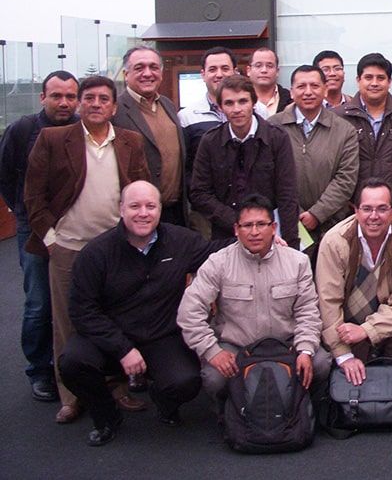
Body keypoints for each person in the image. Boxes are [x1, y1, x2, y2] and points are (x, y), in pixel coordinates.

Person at [59, 181, 229, 445]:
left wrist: (258, 238)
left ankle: (164, 401)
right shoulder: (96, 253)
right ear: (121, 209)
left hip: (162, 336)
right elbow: (82, 311)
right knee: (72, 363)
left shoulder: (180, 240)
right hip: (111, 339)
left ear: (160, 210)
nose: (143, 213)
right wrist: (122, 348)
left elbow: (218, 251)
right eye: (135, 206)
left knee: (186, 382)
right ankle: (106, 416)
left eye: (150, 206)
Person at [24, 75, 150, 423]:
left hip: (115, 249)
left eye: (103, 99)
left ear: (114, 106)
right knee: (65, 322)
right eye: (89, 98)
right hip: (67, 247)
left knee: (114, 319)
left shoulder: (130, 141)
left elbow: (139, 189)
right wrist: (51, 239)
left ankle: (116, 387)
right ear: (80, 103)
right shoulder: (53, 139)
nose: (96, 104)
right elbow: (33, 196)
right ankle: (71, 396)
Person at [177, 194, 330, 410]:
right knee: (214, 378)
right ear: (236, 230)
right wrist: (212, 351)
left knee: (320, 363)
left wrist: (305, 349)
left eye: (261, 224)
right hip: (236, 346)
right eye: (247, 225)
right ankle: (231, 414)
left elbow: (308, 313)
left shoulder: (298, 262)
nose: (255, 232)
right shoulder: (218, 263)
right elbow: (188, 313)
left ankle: (299, 411)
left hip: (285, 344)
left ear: (274, 227)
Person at [0, 70, 79, 402]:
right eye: (56, 95)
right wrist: (21, 212)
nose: (64, 102)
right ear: (42, 97)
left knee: (74, 299)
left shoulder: (81, 127)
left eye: (70, 96)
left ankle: (74, 368)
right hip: (32, 227)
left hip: (75, 225)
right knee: (39, 302)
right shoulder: (23, 130)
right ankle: (40, 370)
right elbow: (5, 174)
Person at [315, 179, 392, 386]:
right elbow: (327, 302)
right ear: (355, 210)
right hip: (345, 328)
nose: (373, 216)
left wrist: (367, 330)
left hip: (385, 327)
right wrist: (343, 355)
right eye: (367, 209)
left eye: (382, 209)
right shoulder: (334, 241)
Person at [189, 75, 299, 245]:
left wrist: (290, 242)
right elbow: (199, 193)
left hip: (270, 234)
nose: (237, 109)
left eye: (243, 101)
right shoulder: (210, 141)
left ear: (254, 102)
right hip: (225, 234)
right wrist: (238, 222)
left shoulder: (277, 138)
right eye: (229, 103)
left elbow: (287, 194)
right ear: (220, 107)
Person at [270, 64, 359, 252]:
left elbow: (346, 178)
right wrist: (296, 213)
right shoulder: (273, 127)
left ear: (325, 89)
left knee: (331, 279)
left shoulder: (344, 130)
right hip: (287, 224)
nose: (308, 92)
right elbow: (267, 175)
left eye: (315, 86)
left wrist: (317, 214)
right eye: (301, 87)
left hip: (332, 223)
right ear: (292, 92)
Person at [335, 53, 392, 227]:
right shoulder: (338, 118)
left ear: (389, 82)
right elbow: (330, 165)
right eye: (368, 77)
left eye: (380, 78)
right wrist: (343, 200)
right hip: (351, 209)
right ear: (358, 80)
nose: (374, 83)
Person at [112, 46, 186, 225]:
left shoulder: (167, 104)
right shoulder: (116, 111)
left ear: (160, 72)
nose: (147, 73)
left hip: (174, 212)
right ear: (125, 74)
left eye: (153, 67)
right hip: (139, 216)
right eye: (139, 68)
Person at [177, 47, 268, 172]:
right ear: (203, 75)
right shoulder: (187, 117)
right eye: (212, 69)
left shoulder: (259, 110)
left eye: (225, 68)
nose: (219, 74)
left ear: (235, 72)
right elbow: (185, 166)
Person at [247, 47, 291, 117]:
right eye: (258, 66)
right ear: (248, 71)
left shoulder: (290, 99)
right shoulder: (239, 99)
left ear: (277, 71)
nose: (264, 70)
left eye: (269, 66)